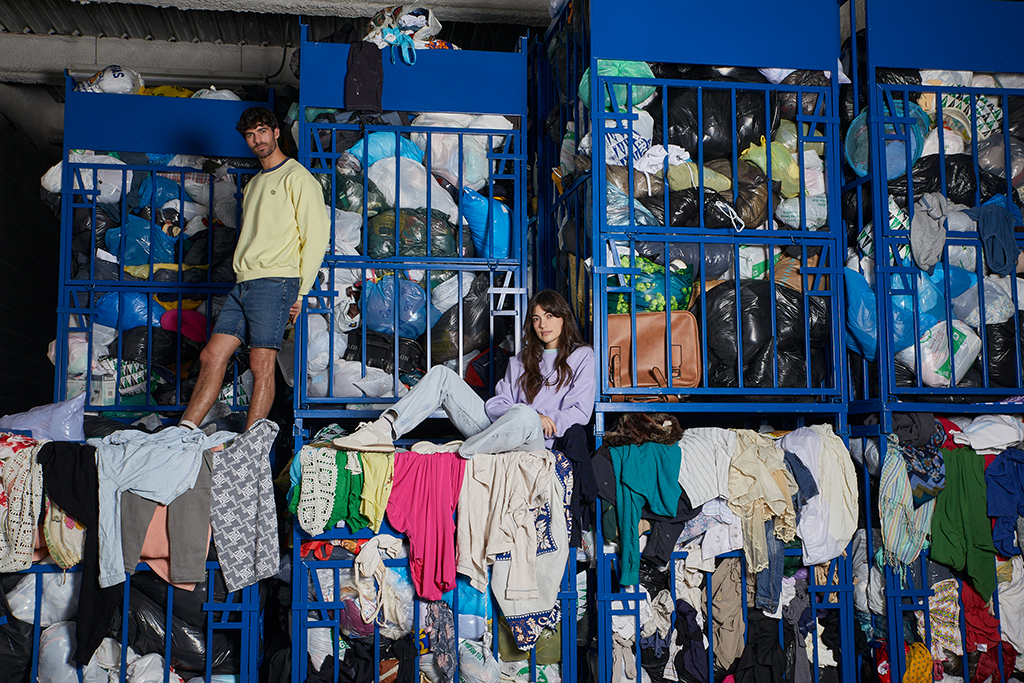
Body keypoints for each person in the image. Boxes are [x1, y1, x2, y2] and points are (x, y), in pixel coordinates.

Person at [179, 107, 330, 431]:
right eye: (250, 135)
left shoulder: (297, 177)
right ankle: (184, 432)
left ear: (276, 133)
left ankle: (253, 445)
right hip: (244, 282)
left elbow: (316, 236)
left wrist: (302, 292)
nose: (256, 139)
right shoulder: (254, 185)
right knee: (211, 355)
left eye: (262, 131)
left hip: (276, 280)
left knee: (261, 363)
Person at [331, 289, 596, 456]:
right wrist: (523, 414)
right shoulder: (519, 361)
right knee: (441, 375)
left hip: (535, 439)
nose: (542, 324)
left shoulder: (582, 355)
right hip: (497, 429)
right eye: (536, 319)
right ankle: (382, 429)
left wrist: (540, 419)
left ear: (563, 318)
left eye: (549, 316)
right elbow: (497, 404)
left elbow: (581, 412)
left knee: (525, 415)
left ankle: (461, 451)